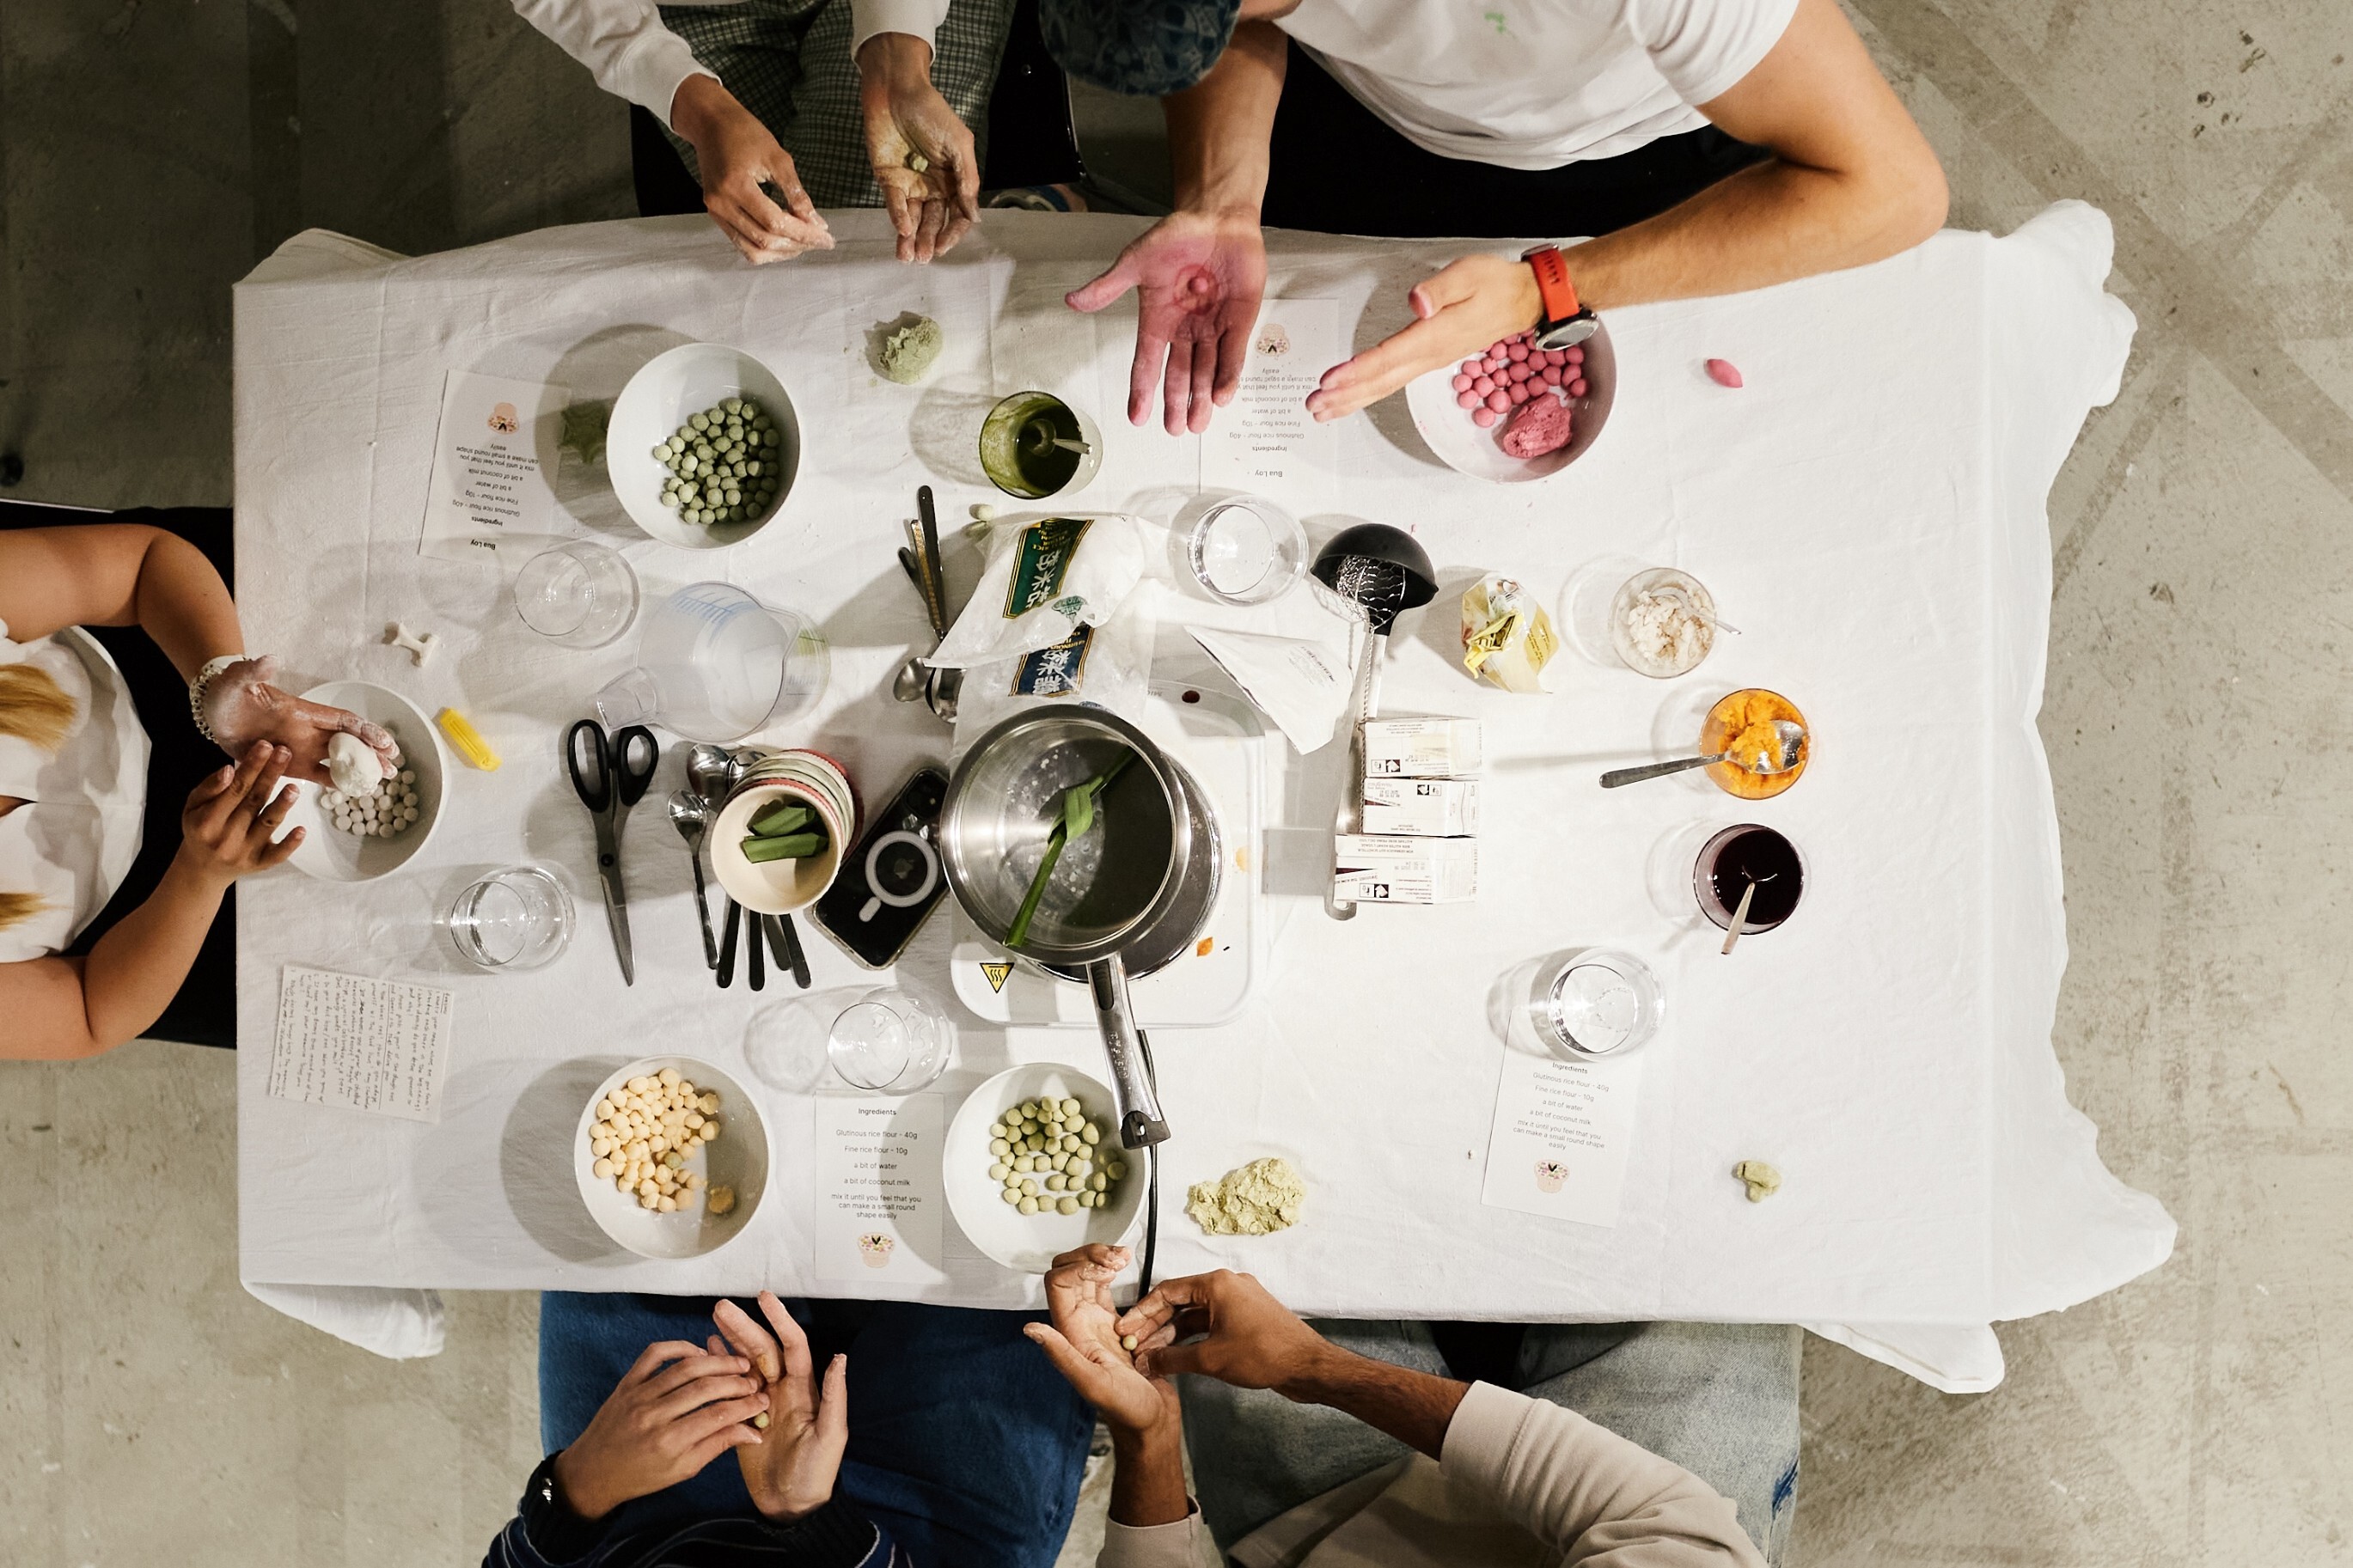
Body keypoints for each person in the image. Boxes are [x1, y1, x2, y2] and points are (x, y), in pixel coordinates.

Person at [1036, 0, 1950, 434]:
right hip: (1375, 113)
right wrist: (1222, 195)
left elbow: (1891, 191)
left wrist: (1547, 291)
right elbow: (1239, 25)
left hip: (1636, 149)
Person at [1028, 1246, 1802, 1565]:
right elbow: (1660, 1512)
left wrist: (1152, 1431)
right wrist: (1310, 1367)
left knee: (1226, 1247)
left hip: (1332, 1528)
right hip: (1654, 1505)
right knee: (1725, 1254)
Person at [0, 513, 397, 1058]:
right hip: (155, 921)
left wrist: (219, 684)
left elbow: (145, 567)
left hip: (167, 658)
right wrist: (199, 880)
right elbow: (89, 1013)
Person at [486, 1290, 1094, 1567]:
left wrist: (575, 1488)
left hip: (640, 1525)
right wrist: (810, 1516)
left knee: (608, 1222)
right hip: (922, 1538)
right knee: (1028, 1271)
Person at [511, 0, 1007, 263]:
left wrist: (899, 59)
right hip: (687, 12)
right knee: (810, 236)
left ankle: (1051, 199)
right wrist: (701, 110)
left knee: (881, 222)